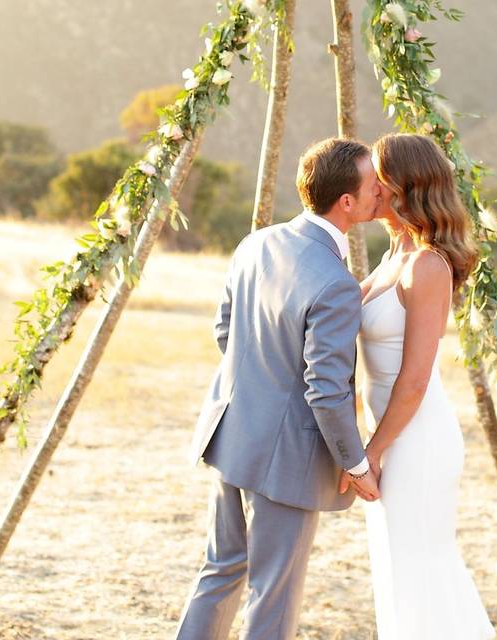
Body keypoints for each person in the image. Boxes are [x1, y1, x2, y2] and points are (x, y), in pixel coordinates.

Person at [176, 137, 383, 640]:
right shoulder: (335, 283)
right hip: (286, 458)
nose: (382, 191)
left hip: (232, 434)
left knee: (220, 570)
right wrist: (355, 464)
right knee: (273, 594)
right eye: (373, 185)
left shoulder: (256, 243)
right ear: (347, 203)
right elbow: (325, 389)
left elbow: (226, 333)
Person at [346, 132, 496, 639]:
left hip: (416, 441)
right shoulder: (393, 257)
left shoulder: (428, 265)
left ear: (400, 186)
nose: (367, 186)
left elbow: (413, 381)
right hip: (393, 438)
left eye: (375, 177)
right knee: (398, 571)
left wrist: (372, 451)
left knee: (423, 568)